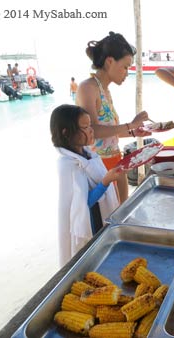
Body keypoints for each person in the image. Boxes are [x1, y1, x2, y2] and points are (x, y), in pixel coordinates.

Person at [76, 32, 151, 203]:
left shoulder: (105, 90)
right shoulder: (88, 87)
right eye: (125, 67)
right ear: (110, 61)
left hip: (116, 163)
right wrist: (130, 125)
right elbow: (92, 131)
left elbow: (108, 134)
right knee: (107, 220)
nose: (127, 73)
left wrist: (134, 132)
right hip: (98, 168)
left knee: (119, 214)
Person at [50, 104, 126, 266]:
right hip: (90, 226)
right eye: (85, 127)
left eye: (90, 125)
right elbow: (83, 206)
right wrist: (106, 181)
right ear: (66, 132)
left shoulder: (89, 154)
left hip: (101, 220)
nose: (91, 130)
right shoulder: (68, 164)